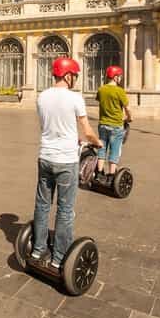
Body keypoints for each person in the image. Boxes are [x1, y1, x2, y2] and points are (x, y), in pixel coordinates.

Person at [31, 57, 102, 272]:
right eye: (75, 75)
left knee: (42, 205)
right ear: (68, 75)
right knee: (65, 209)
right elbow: (87, 130)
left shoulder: (41, 96)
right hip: (66, 161)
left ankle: (37, 250)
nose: (75, 79)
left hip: (45, 157)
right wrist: (97, 142)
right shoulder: (75, 98)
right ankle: (58, 258)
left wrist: (73, 138)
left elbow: (49, 127)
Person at [95, 66, 131, 179]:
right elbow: (127, 108)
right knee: (114, 150)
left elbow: (100, 102)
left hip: (102, 125)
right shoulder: (120, 91)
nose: (120, 78)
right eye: (119, 76)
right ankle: (111, 175)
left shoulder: (101, 89)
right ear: (115, 77)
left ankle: (99, 173)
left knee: (102, 149)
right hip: (116, 125)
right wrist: (129, 117)